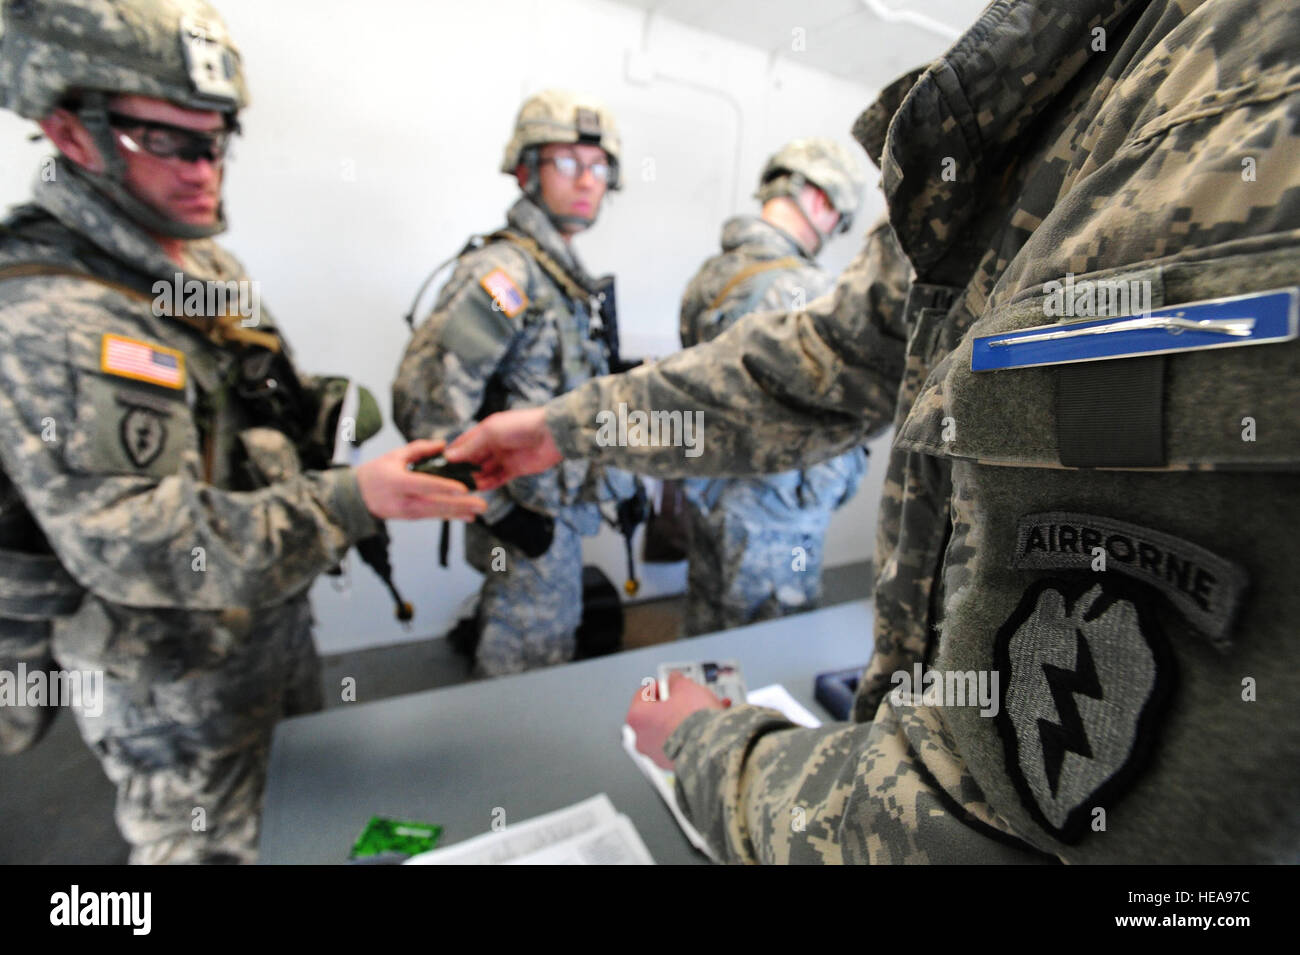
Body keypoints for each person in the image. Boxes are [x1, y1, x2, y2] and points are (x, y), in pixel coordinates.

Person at [447, 0, 1300, 863]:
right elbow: (815, 359)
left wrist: (711, 749)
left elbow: (1010, 828)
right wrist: (566, 427)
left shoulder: (1234, 114)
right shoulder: (1052, 109)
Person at [0, 0, 484, 863]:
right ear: (71, 135)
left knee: (303, 817)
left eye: (218, 138)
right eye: (169, 142)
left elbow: (265, 405)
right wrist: (349, 500)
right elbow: (145, 544)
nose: (203, 170)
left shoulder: (203, 264)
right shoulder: (51, 316)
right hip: (173, 684)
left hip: (268, 623)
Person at [393, 89, 644, 677]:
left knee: (540, 640)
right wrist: (501, 514)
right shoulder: (506, 275)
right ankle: (502, 761)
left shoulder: (559, 276)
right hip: (523, 517)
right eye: (566, 163)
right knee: (525, 659)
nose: (586, 180)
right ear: (527, 171)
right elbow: (431, 403)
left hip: (554, 511)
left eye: (598, 166)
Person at [678, 138, 870, 636]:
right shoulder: (812, 289)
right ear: (822, 200)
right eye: (837, 219)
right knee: (773, 652)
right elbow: (847, 413)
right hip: (779, 514)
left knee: (709, 633)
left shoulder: (709, 277)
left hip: (710, 494)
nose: (831, 231)